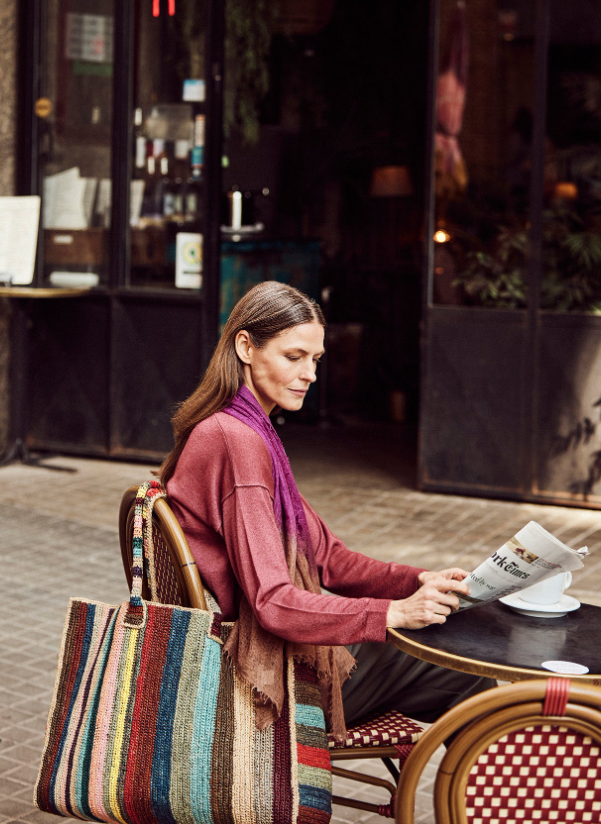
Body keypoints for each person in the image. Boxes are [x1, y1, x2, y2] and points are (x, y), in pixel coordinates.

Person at [160, 280, 493, 740]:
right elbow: (273, 603)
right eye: (293, 356)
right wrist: (391, 614)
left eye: (315, 359)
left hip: (258, 655)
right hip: (260, 680)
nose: (310, 373)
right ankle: (498, 797)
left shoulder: (246, 430)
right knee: (467, 670)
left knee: (449, 648)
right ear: (245, 347)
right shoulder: (237, 443)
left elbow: (328, 559)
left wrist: (417, 581)